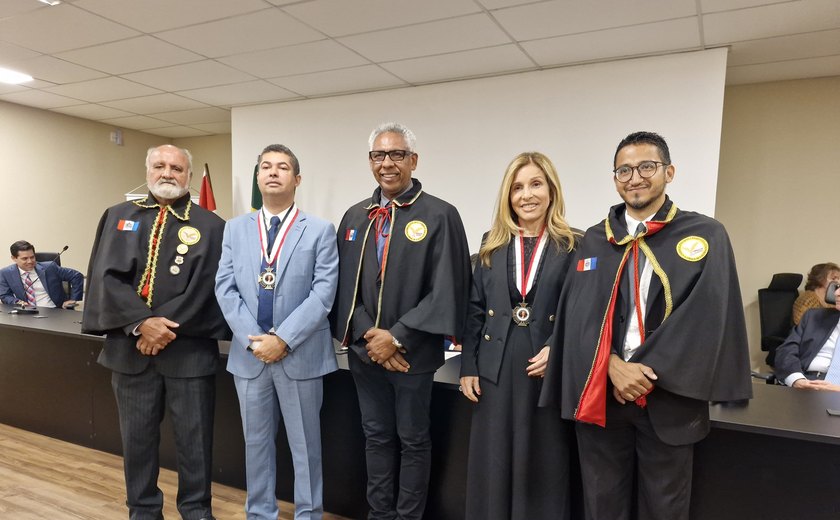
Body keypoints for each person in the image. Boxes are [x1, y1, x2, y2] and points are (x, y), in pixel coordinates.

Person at [541, 131, 752, 520]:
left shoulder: (705, 235)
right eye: (624, 169)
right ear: (615, 177)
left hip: (671, 399)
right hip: (602, 395)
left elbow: (707, 320)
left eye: (646, 167)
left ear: (668, 172)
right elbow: (575, 317)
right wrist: (611, 365)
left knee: (665, 510)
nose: (634, 177)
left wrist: (645, 373)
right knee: (602, 506)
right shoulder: (594, 240)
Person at [331, 122, 471, 520]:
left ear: (413, 160)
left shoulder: (441, 214)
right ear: (370, 161)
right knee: (375, 437)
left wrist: (396, 337)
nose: (387, 163)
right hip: (365, 354)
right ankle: (380, 514)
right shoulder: (356, 216)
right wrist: (368, 337)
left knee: (413, 440)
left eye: (396, 155)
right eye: (379, 155)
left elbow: (448, 288)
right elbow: (343, 287)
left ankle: (408, 516)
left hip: (413, 355)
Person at [82, 144, 230, 520]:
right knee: (137, 442)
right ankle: (143, 510)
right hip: (131, 354)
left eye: (177, 168)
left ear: (189, 177)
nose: (168, 173)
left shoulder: (212, 225)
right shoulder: (117, 216)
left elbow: (208, 288)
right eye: (160, 166)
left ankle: (197, 511)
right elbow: (105, 278)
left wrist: (160, 328)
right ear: (147, 171)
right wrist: (141, 324)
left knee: (195, 444)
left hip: (189, 355)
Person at [215, 144, 339, 520]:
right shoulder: (235, 229)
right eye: (266, 166)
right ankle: (260, 513)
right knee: (256, 445)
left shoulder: (319, 230)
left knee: (306, 447)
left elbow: (324, 292)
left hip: (299, 355)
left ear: (296, 179)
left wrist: (282, 339)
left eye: (282, 167)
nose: (273, 172)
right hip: (250, 356)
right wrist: (256, 341)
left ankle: (308, 514)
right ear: (257, 178)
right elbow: (225, 287)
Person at [459, 152, 576, 520]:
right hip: (496, 367)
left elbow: (582, 312)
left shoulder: (575, 244)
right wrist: (467, 366)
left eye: (536, 184)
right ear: (508, 196)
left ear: (551, 190)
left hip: (545, 367)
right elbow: (474, 310)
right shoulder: (490, 243)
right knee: (494, 459)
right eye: (517, 187)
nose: (527, 195)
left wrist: (556, 348)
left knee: (543, 460)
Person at [775, 283, 840, 391]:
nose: (836, 293)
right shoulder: (814, 317)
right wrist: (797, 379)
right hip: (806, 383)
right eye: (838, 288)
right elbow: (786, 350)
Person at [0, 240, 83, 308]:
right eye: (25, 259)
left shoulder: (50, 267)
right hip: (26, 314)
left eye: (32, 257)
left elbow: (76, 276)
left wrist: (73, 299)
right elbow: (4, 295)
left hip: (55, 312)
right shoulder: (5, 273)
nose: (30, 261)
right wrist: (16, 301)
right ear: (14, 258)